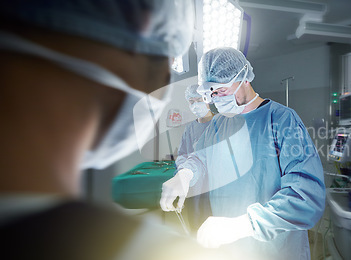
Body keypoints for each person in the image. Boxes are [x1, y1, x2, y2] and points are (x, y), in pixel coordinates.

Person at [0, 1, 229, 259]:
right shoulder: (147, 252)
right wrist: (185, 174)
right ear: (143, 23)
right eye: (171, 60)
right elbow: (189, 158)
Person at [161, 47, 326, 260]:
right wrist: (185, 175)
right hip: (230, 251)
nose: (215, 99)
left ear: (243, 79)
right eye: (210, 93)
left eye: (220, 90)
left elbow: (306, 198)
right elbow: (201, 158)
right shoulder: (218, 124)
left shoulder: (282, 121)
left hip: (275, 251)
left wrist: (243, 224)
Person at [177, 84, 214, 230]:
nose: (195, 105)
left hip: (215, 185)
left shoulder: (221, 124)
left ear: (208, 100)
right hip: (195, 186)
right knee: (196, 222)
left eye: (199, 100)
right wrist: (184, 173)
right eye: (191, 102)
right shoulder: (190, 129)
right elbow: (182, 155)